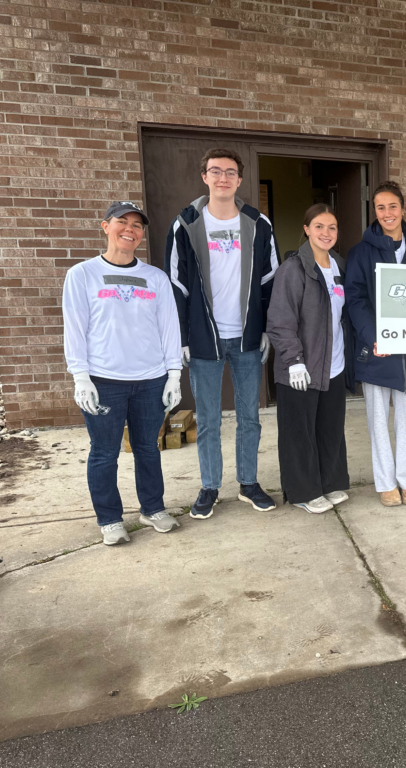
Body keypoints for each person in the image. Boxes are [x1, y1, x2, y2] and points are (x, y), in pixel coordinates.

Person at [166, 148, 279, 519]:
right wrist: (182, 338)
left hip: (247, 338)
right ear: (204, 176)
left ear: (239, 179)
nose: (223, 178)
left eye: (230, 172)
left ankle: (248, 483)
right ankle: (210, 487)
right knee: (210, 420)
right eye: (216, 171)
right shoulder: (186, 223)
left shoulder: (258, 223)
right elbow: (176, 285)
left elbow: (269, 280)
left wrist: (266, 329)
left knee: (250, 416)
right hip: (204, 339)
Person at [63, 202, 183, 546]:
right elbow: (75, 329)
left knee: (148, 448)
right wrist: (80, 376)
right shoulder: (82, 274)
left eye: (137, 225)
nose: (130, 229)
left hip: (150, 380)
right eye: (122, 222)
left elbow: (168, 329)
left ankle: (152, 508)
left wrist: (173, 374)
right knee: (105, 452)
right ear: (105, 226)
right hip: (104, 380)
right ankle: (110, 519)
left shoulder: (155, 278)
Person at [346, 182, 406, 507]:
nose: (387, 214)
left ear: (403, 209)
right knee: (378, 422)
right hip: (377, 351)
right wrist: (372, 336)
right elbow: (355, 300)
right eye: (380, 208)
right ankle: (385, 482)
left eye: (392, 206)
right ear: (375, 212)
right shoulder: (360, 253)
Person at [266, 204, 355, 514]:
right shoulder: (294, 269)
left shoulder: (341, 266)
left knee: (329, 428)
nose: (325, 233)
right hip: (301, 367)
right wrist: (294, 360)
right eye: (319, 226)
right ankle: (303, 491)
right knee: (298, 432)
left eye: (331, 227)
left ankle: (329, 483)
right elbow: (279, 321)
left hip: (334, 363)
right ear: (306, 229)